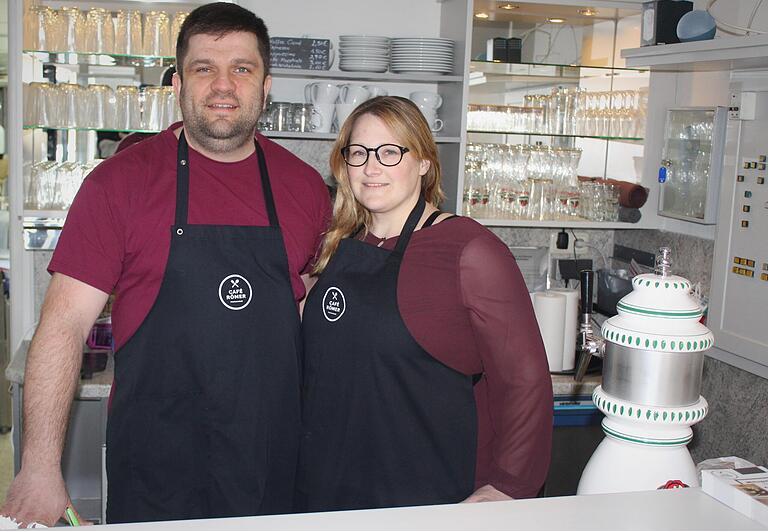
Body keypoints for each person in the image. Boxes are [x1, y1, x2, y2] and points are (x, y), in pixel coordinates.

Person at [1, 3, 330, 526]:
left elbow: (317, 319)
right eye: (205, 68)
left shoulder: (305, 189)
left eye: (241, 69)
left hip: (271, 462)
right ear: (177, 84)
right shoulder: (120, 184)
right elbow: (62, 326)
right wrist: (39, 467)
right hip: (156, 463)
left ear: (267, 87)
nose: (223, 85)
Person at [298, 96, 552, 512]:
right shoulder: (340, 245)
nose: (371, 166)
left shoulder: (468, 249)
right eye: (359, 152)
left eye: (390, 152)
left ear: (423, 163)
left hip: (424, 485)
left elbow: (524, 379)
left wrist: (509, 485)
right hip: (331, 479)